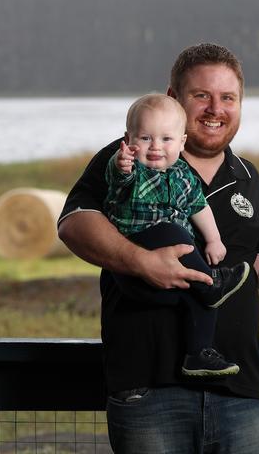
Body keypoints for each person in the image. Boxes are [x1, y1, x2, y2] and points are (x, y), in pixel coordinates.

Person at [58, 43, 259, 453]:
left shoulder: (247, 177)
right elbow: (73, 224)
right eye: (201, 95)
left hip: (239, 390)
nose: (215, 108)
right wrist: (141, 261)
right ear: (173, 99)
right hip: (148, 389)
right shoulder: (131, 157)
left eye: (228, 98)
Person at [105, 92, 251, 377]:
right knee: (174, 232)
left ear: (182, 142)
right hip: (137, 247)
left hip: (173, 265)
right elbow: (118, 178)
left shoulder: (184, 173)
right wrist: (120, 164)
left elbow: (199, 205)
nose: (156, 147)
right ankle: (213, 286)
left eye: (166, 139)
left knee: (199, 294)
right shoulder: (133, 168)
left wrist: (214, 239)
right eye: (145, 138)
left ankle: (198, 353)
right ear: (129, 139)